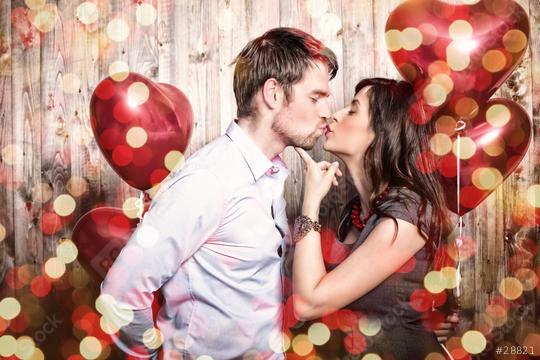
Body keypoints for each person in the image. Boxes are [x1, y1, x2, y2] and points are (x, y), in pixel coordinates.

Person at [98, 27, 338, 359]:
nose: (327, 112)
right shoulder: (209, 180)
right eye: (316, 97)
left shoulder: (269, 173)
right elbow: (120, 292)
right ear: (273, 93)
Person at [292, 78, 456, 359]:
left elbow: (308, 304)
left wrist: (310, 205)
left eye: (353, 110)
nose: (335, 114)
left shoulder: (409, 213)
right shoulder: (352, 213)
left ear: (383, 131)